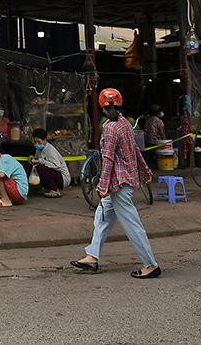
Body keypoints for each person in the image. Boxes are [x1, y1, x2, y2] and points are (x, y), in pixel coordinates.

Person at [72, 88, 160, 279]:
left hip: (117, 184)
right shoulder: (125, 124)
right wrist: (145, 171)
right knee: (101, 217)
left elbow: (108, 159)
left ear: (102, 107)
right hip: (123, 181)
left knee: (132, 224)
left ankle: (150, 264)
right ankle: (92, 256)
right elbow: (135, 150)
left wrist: (102, 186)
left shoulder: (110, 128)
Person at [0, 139, 28, 207]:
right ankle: (6, 198)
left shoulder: (5, 158)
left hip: (19, 192)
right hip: (20, 195)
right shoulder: (3, 160)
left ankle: (6, 199)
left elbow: (1, 175)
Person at [30, 129, 71, 198]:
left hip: (62, 178)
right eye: (35, 142)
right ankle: (42, 187)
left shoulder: (50, 150)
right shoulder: (38, 149)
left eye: (39, 142)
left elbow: (57, 166)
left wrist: (41, 161)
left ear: (45, 140)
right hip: (54, 174)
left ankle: (55, 190)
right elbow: (37, 159)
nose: (37, 144)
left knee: (41, 168)